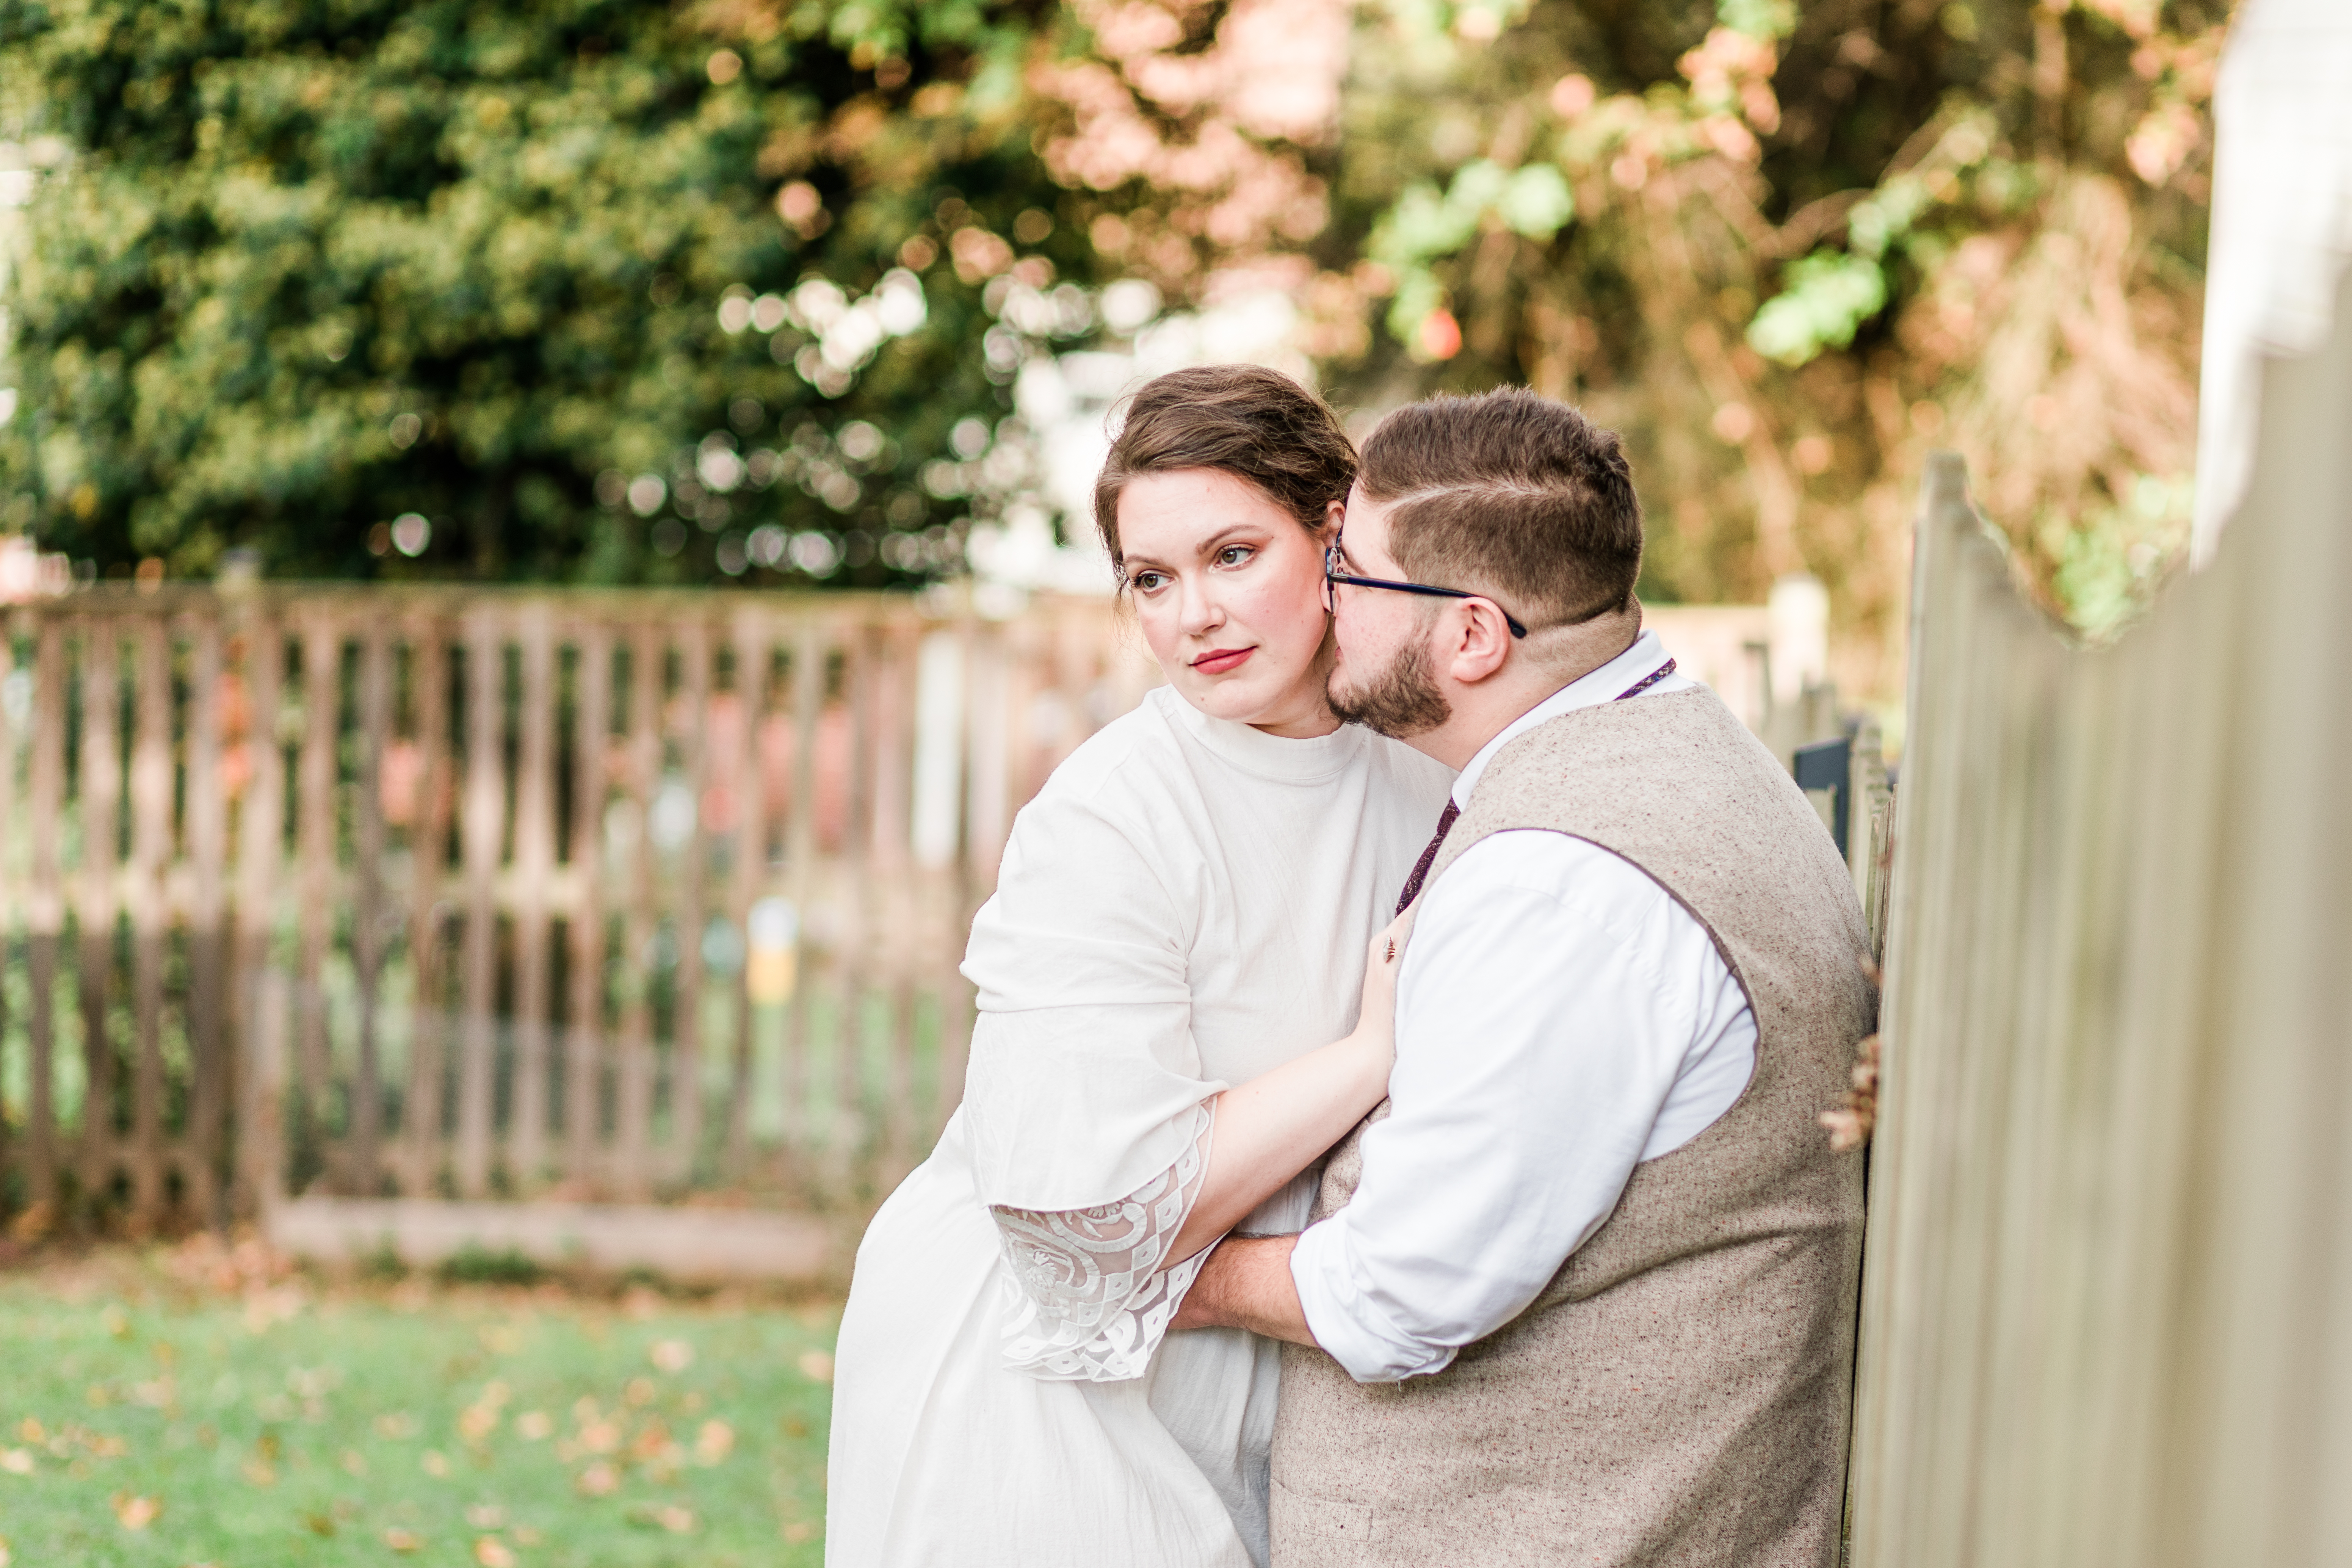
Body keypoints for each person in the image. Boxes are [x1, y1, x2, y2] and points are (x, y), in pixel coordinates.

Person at [1174, 388, 1874, 1567]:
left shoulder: (1564, 888)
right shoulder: (1666, 750)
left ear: (1472, 636)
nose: (1321, 597)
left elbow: (1403, 1289)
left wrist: (1176, 1270)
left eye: (1350, 568)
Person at [824, 365, 1453, 1568]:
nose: (1193, 616)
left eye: (1232, 555)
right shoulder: (1110, 816)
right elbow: (1085, 1209)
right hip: (1025, 1379)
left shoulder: (1426, 773)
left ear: (1336, 535)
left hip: (1244, 1361)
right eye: (1151, 580)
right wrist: (1370, 1054)